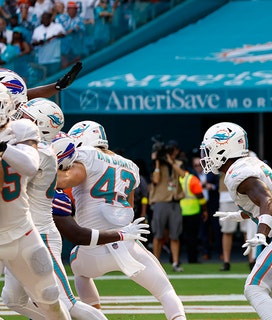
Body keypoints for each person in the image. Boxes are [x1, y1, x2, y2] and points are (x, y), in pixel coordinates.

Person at [57, 120, 186, 319]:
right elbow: (129, 205)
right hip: (127, 243)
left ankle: (96, 314)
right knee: (166, 292)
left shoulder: (86, 156)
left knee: (80, 271)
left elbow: (65, 180)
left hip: (94, 247)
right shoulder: (130, 165)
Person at [0, 99, 108, 320]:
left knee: (67, 302)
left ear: (40, 125)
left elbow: (21, 166)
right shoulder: (38, 145)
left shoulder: (40, 152)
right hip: (20, 230)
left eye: (26, 117)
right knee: (13, 298)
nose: (18, 119)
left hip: (39, 233)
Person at [201, 122, 272, 320]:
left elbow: (268, 202)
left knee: (255, 288)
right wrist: (241, 215)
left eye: (210, 150)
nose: (207, 156)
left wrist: (262, 233)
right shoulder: (250, 164)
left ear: (224, 148)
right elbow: (267, 200)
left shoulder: (238, 173)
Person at [0, 86, 71, 320]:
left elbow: (29, 166)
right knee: (11, 299)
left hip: (22, 233)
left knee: (50, 299)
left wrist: (3, 148)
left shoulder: (21, 130)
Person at [149, 139, 185, 272]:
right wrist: (157, 161)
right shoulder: (158, 165)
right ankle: (155, 262)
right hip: (161, 201)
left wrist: (171, 162)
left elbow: (182, 175)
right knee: (158, 234)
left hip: (175, 202)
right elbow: (156, 180)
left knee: (175, 235)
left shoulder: (178, 163)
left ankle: (175, 262)